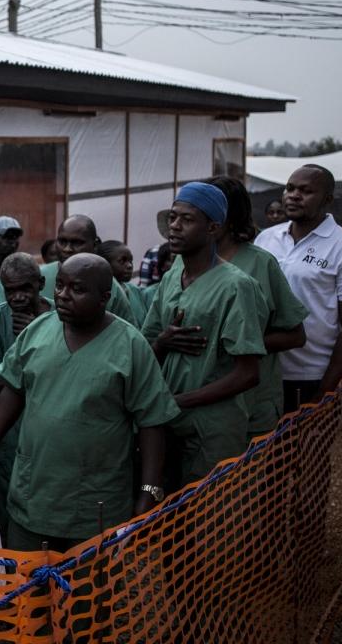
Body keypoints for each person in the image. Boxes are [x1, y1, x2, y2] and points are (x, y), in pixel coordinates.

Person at [0, 253, 179, 551]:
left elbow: (152, 422)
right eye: (60, 286)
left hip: (94, 507)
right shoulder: (37, 332)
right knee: (26, 591)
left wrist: (149, 491)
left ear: (104, 297)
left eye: (77, 289)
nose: (63, 296)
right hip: (33, 500)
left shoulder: (130, 346)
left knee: (87, 592)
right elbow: (14, 390)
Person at [141, 183, 267, 489]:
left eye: (187, 220)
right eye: (172, 218)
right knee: (167, 516)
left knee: (211, 519)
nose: (174, 226)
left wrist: (180, 400)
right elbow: (147, 344)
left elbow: (248, 374)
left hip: (212, 428)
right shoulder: (172, 277)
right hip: (168, 424)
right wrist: (162, 343)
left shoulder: (236, 286)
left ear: (213, 228)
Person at [254, 165, 342, 412]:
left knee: (304, 450)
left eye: (306, 191)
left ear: (327, 199)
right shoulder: (265, 239)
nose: (294, 195)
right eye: (290, 188)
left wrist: (325, 393)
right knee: (262, 450)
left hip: (310, 376)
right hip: (262, 369)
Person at [205, 176, 308, 438]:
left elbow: (295, 335)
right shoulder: (188, 264)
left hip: (251, 401)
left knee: (249, 476)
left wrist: (243, 344)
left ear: (228, 216)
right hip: (200, 398)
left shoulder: (261, 264)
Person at [0, 252, 51, 541]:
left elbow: (62, 380)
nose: (17, 297)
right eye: (10, 290)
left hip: (45, 436)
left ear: (40, 284)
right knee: (5, 514)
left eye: (25, 289)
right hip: (6, 439)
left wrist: (35, 335)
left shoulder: (56, 318)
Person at [39, 215, 135, 324]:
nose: (67, 249)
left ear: (95, 245)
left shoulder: (108, 284)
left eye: (77, 242)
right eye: (62, 241)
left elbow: (127, 332)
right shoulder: (39, 275)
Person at [97, 240, 148, 327]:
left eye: (130, 261)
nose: (129, 265)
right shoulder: (101, 292)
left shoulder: (135, 291)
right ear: (105, 263)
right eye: (122, 261)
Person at [138, 209, 172, 286]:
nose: (176, 225)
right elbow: (143, 286)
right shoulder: (153, 253)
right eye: (172, 219)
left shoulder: (195, 255)